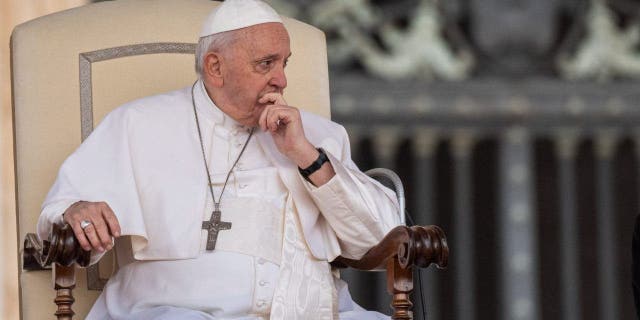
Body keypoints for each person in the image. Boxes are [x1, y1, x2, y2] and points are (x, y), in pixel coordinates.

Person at [36, 0, 400, 319]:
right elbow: (60, 211)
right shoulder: (138, 124)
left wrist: (306, 156)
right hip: (172, 312)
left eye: (284, 63)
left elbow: (383, 238)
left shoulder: (317, 136)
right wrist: (77, 212)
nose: (282, 79)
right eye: (266, 64)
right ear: (215, 67)